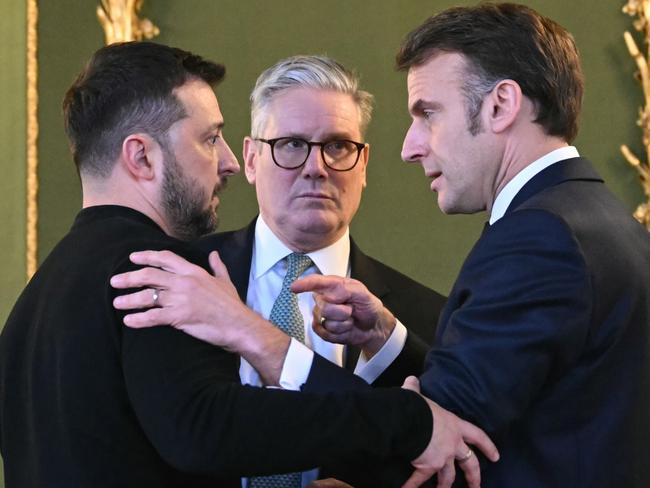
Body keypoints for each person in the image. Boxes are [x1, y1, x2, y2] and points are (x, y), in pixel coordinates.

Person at [0, 41, 498, 488]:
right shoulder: (164, 271)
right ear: (142, 157)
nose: (226, 164)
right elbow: (206, 427)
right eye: (208, 139)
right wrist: (409, 421)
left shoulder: (31, 303)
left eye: (339, 147)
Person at [290, 3, 650, 487]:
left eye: (428, 114)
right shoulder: (604, 221)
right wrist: (386, 339)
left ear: (501, 105)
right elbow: (498, 396)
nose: (409, 146)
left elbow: (437, 441)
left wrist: (252, 337)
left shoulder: (539, 239)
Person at [117, 54, 446, 486]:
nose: (316, 167)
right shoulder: (177, 279)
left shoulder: (424, 322)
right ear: (251, 160)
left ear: (363, 165)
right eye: (291, 144)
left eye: (338, 146)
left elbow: (449, 455)